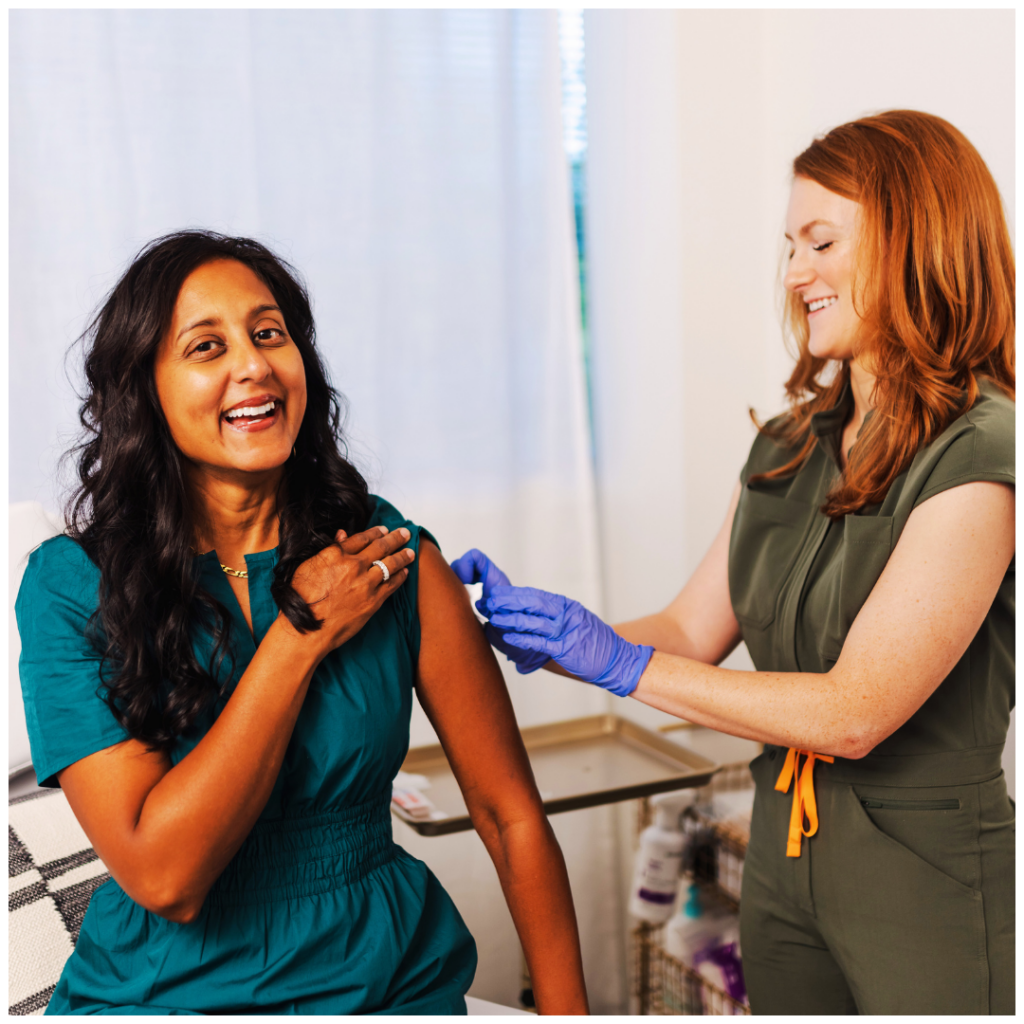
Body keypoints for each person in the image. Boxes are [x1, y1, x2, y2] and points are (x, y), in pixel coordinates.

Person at [453, 110, 1014, 1015]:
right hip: (784, 861)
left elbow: (855, 713)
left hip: (927, 874)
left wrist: (624, 666)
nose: (794, 275)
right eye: (789, 246)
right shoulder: (790, 446)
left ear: (917, 242)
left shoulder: (984, 452)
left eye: (820, 242)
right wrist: (538, 631)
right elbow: (688, 631)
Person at [16, 231, 589, 1015]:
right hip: (169, 994)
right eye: (207, 346)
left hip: (388, 982)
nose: (252, 365)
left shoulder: (391, 558)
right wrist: (300, 636)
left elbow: (507, 814)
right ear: (143, 389)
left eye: (268, 333)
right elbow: (165, 877)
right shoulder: (71, 588)